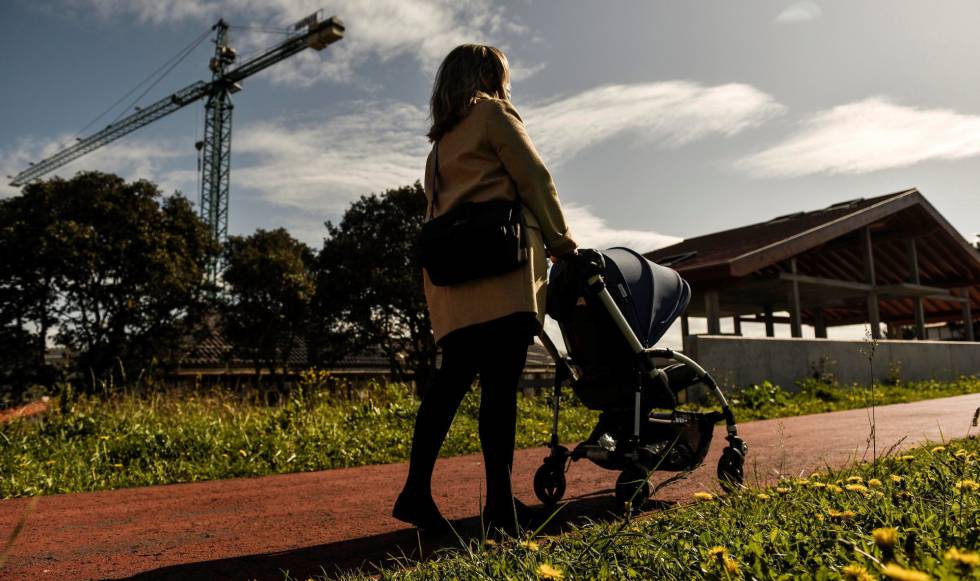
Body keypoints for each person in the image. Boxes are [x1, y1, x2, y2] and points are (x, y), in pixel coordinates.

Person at [392, 44, 578, 535]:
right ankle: (499, 506)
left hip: (451, 283)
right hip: (497, 268)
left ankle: (416, 489)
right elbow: (534, 177)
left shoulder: (438, 148)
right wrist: (561, 242)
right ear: (490, 76)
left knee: (449, 383)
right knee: (499, 389)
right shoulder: (492, 114)